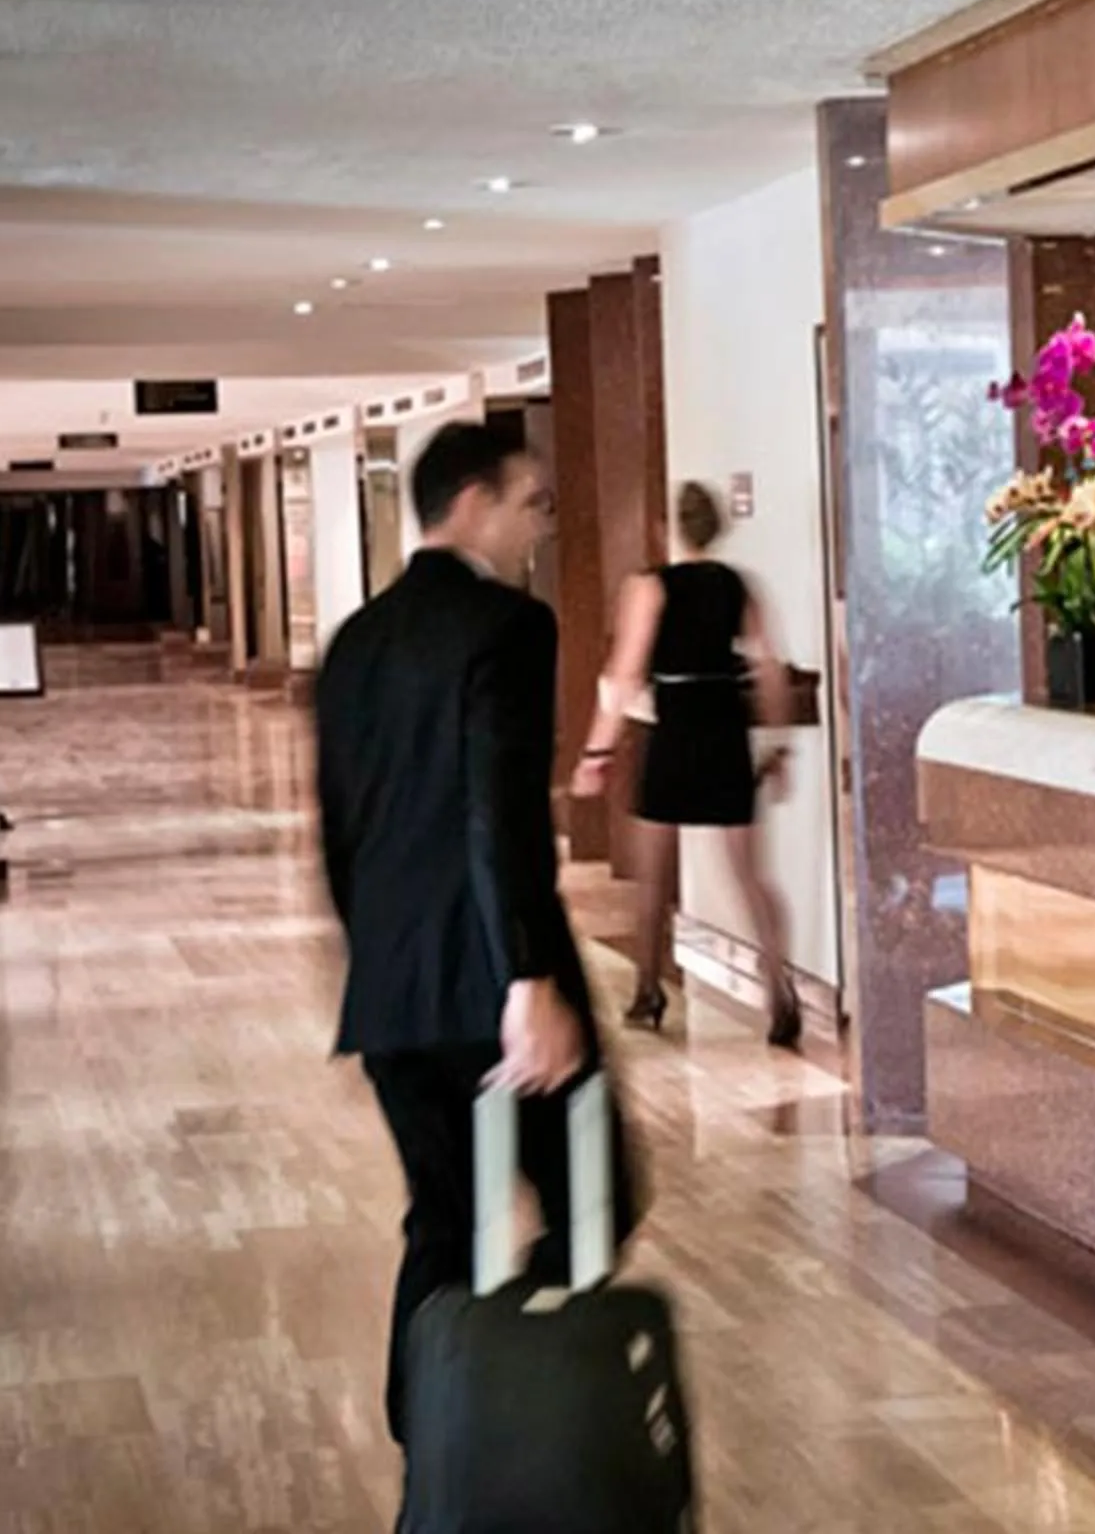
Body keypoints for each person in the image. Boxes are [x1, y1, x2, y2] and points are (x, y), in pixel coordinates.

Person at [316, 421, 638, 1446]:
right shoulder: (508, 624)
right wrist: (526, 978)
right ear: (471, 503)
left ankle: (435, 1443)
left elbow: (342, 830)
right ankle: (539, 1421)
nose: (541, 525)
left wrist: (377, 961)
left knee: (443, 1220)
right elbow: (497, 806)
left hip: (396, 990)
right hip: (500, 983)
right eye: (531, 501)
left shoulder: (356, 641)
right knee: (601, 1197)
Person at [571, 481, 802, 1048]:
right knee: (749, 874)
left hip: (674, 730)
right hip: (724, 727)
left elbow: (626, 674)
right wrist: (777, 743)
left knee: (654, 874)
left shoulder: (649, 587)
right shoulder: (737, 587)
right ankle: (780, 988)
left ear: (666, 528)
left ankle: (648, 991)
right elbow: (770, 670)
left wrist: (597, 752)